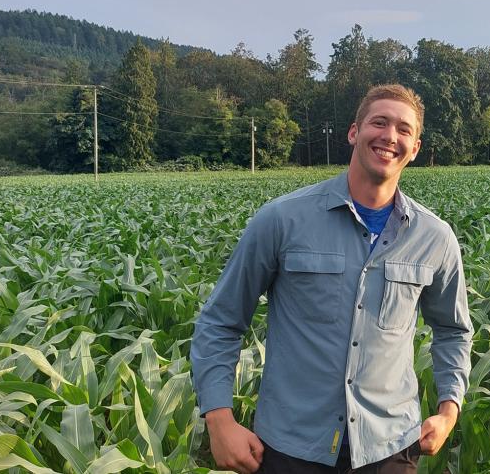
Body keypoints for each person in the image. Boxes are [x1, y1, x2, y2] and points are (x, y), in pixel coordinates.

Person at [190, 84, 473, 474]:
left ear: (416, 148)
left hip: (390, 447)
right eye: (379, 122)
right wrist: (219, 419)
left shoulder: (434, 237)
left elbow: (453, 330)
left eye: (404, 130)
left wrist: (449, 410)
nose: (390, 136)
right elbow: (220, 321)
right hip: (292, 447)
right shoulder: (281, 220)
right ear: (354, 132)